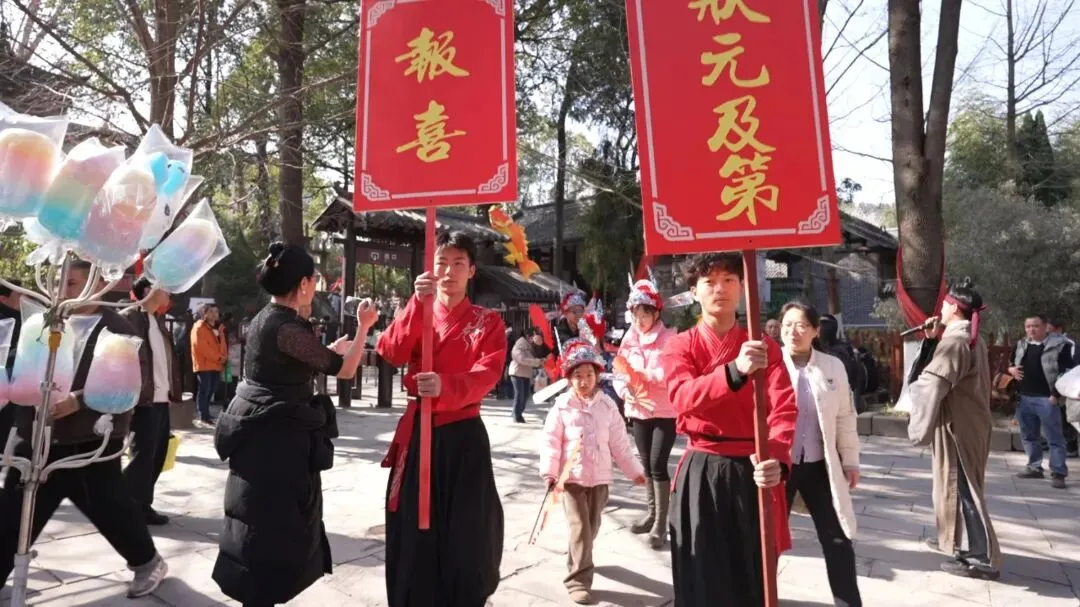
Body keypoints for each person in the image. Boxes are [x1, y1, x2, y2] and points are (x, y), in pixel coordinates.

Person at [212, 243, 378, 607]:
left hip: (259, 433)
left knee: (258, 525)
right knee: (274, 530)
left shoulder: (265, 318)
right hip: (276, 442)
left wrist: (330, 350)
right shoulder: (286, 327)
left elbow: (293, 362)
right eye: (314, 278)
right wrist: (364, 327)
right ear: (302, 284)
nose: (316, 284)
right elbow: (345, 370)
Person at [0, 259, 166, 597]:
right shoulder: (44, 321)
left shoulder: (117, 328)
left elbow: (131, 387)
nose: (62, 291)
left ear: (96, 284)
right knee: (12, 513)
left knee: (110, 508)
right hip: (36, 435)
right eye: (59, 283)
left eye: (72, 284)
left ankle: (148, 562)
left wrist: (79, 400)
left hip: (88, 439)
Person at [376, 231, 508, 607]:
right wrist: (416, 304)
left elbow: (488, 373)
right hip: (419, 434)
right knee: (413, 528)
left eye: (458, 263)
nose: (449, 271)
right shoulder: (419, 309)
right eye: (442, 263)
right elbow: (390, 351)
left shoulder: (488, 322)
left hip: (463, 436)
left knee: (466, 531)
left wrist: (445, 386)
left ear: (472, 271)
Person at [660, 252, 797, 607]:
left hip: (754, 467)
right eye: (709, 281)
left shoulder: (766, 348)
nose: (719, 288)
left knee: (752, 574)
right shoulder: (679, 346)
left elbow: (783, 409)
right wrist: (735, 371)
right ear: (694, 291)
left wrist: (776, 457)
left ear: (743, 288)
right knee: (701, 574)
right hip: (702, 468)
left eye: (729, 280)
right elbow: (682, 397)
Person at [906, 280, 1002, 579]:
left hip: (959, 426)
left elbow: (931, 383)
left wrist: (916, 415)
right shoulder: (968, 338)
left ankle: (982, 557)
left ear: (954, 308)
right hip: (968, 422)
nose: (941, 310)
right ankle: (956, 543)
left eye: (945, 305)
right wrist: (932, 340)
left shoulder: (956, 342)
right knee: (957, 486)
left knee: (966, 488)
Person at [540, 339, 646, 605]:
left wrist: (634, 471)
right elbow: (551, 442)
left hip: (600, 478)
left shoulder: (608, 407)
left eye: (589, 375)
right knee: (580, 529)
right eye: (578, 375)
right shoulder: (562, 407)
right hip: (571, 479)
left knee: (592, 527)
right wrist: (550, 473)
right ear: (569, 378)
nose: (584, 381)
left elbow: (620, 444)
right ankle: (578, 580)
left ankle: (580, 557)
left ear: (598, 376)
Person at [778, 302, 862, 606]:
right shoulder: (770, 363)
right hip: (779, 466)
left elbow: (845, 416)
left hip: (819, 465)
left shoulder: (832, 366)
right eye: (787, 325)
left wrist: (850, 460)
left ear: (815, 330)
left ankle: (848, 602)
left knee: (837, 537)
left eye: (801, 325)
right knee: (768, 540)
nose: (793, 332)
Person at [614, 278, 677, 549]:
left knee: (658, 464)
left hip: (663, 411)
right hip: (638, 409)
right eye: (636, 315)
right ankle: (651, 514)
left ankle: (661, 523)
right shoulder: (629, 338)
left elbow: (672, 372)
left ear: (656, 313)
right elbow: (619, 369)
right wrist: (624, 390)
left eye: (645, 315)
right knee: (647, 466)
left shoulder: (670, 338)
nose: (640, 321)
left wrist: (646, 375)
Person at [121, 278, 181, 526]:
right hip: (142, 401)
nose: (169, 293)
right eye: (164, 288)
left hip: (161, 398)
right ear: (148, 290)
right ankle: (131, 507)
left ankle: (140, 504)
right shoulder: (130, 317)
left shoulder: (158, 321)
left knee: (157, 455)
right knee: (142, 457)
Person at [1009, 314, 1073, 488]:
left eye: (1035, 326)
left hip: (1047, 399)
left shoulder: (1060, 345)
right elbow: (1011, 363)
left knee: (1054, 437)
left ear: (1045, 327)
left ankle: (1058, 472)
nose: (1031, 329)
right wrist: (1011, 369)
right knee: (1029, 436)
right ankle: (1034, 467)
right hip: (1024, 397)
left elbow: (1066, 372)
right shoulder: (1021, 344)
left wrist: (1055, 395)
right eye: (1028, 326)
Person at [191, 303, 227, 425]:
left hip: (215, 364)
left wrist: (223, 357)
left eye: (216, 312)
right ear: (204, 313)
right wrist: (219, 358)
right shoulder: (199, 327)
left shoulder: (217, 329)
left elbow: (222, 346)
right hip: (204, 364)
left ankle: (205, 413)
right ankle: (203, 415)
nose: (214, 314)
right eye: (211, 311)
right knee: (204, 390)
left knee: (211, 389)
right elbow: (202, 348)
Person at [509, 327, 547, 423]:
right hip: (517, 373)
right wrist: (537, 362)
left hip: (526, 374)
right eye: (533, 336)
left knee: (525, 396)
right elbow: (521, 359)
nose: (535, 338)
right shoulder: (519, 345)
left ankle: (517, 413)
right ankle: (516, 415)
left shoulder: (531, 346)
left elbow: (537, 355)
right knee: (519, 395)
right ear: (527, 336)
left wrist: (541, 360)